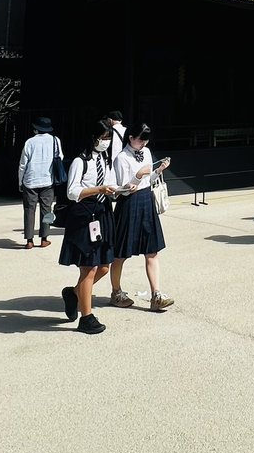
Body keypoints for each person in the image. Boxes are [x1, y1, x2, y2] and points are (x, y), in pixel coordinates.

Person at [59, 122, 118, 336]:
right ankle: (86, 317)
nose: (105, 142)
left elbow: (111, 183)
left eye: (108, 138)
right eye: (103, 137)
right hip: (84, 215)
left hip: (102, 213)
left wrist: (118, 189)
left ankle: (74, 293)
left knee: (103, 267)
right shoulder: (80, 161)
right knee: (88, 267)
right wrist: (97, 189)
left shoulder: (105, 160)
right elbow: (72, 191)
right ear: (92, 137)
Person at [109, 123, 172, 312]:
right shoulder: (122, 158)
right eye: (140, 139)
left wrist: (158, 171)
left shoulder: (146, 152)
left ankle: (156, 294)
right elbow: (122, 188)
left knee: (152, 250)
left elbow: (148, 180)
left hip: (146, 200)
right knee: (121, 252)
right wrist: (137, 176)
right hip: (129, 203)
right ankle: (116, 292)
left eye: (146, 140)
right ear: (130, 138)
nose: (144, 143)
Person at [19, 116, 61, 249]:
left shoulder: (29, 142)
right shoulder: (55, 140)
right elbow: (60, 157)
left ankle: (29, 240)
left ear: (36, 128)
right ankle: (44, 238)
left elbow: (23, 164)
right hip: (47, 180)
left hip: (30, 180)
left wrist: (20, 181)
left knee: (29, 210)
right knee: (47, 209)